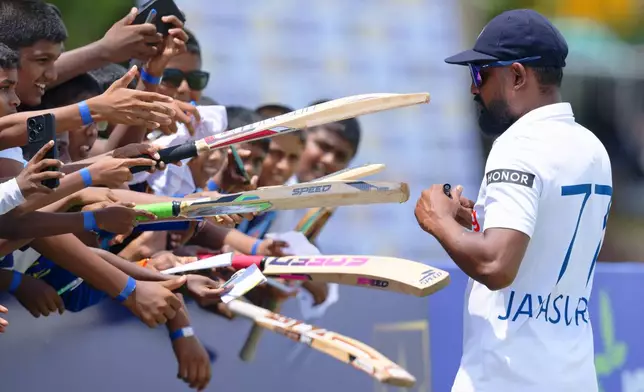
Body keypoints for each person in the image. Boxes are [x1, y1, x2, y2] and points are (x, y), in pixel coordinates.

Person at [413, 9, 611, 392]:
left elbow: (497, 263)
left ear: (517, 75)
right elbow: (544, 246)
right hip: (575, 377)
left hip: (507, 377)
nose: (474, 89)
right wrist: (470, 226)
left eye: (480, 73)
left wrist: (437, 220)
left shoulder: (518, 145)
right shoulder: (592, 148)